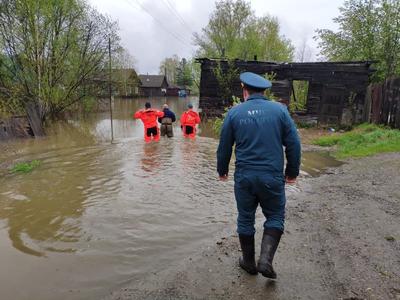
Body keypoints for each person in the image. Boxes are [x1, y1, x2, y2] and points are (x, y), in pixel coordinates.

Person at [216, 72, 301, 279]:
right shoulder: (280, 111)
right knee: (275, 215)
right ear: (264, 91)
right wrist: (292, 172)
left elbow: (224, 145)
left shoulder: (234, 113)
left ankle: (248, 262)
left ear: (245, 91)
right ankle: (265, 260)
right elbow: (294, 144)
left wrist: (222, 169)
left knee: (245, 217)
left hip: (244, 177)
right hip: (272, 177)